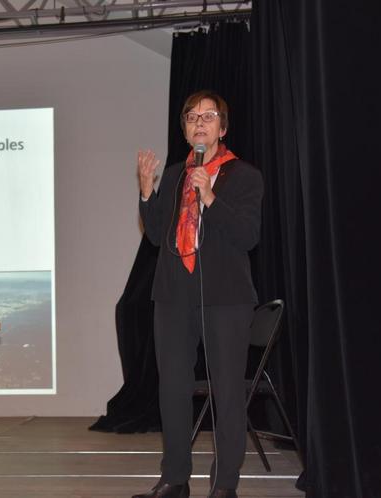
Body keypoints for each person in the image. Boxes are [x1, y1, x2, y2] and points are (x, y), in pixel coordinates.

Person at [132, 90, 263, 498]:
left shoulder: (244, 175)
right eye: (192, 117)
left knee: (226, 391)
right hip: (173, 294)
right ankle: (174, 478)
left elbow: (247, 235)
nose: (199, 123)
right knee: (171, 386)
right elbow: (156, 235)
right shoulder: (173, 174)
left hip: (225, 296)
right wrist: (147, 192)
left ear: (222, 129)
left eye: (209, 117)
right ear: (186, 130)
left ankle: (224, 485)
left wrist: (209, 196)